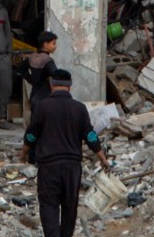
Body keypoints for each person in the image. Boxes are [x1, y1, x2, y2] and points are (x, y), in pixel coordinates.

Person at [22, 67, 100, 237]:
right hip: (72, 168)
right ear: (70, 86)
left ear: (51, 84)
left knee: (49, 205)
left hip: (49, 167)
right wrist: (102, 157)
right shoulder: (80, 108)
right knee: (69, 206)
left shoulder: (43, 107)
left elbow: (31, 134)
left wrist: (24, 152)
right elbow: (90, 135)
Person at [21, 29, 61, 106]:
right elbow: (56, 75)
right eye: (53, 44)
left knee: (34, 117)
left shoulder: (32, 57)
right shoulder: (47, 60)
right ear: (45, 44)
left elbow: (21, 69)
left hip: (34, 94)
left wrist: (30, 79)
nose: (55, 46)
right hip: (45, 96)